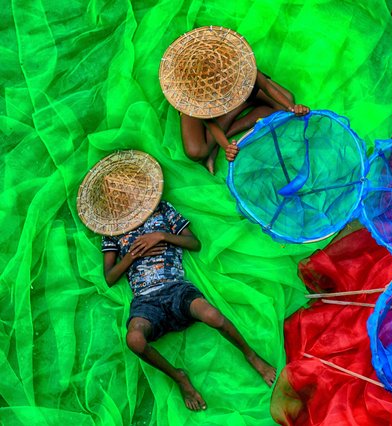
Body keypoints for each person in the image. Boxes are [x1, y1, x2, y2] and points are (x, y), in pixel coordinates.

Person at [77, 150, 276, 412]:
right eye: (119, 198)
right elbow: (110, 277)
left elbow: (194, 243)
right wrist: (133, 256)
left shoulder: (161, 210)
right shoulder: (113, 232)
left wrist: (161, 236)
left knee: (214, 316)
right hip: (145, 300)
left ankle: (251, 355)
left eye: (129, 191)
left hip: (175, 288)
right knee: (134, 340)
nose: (126, 199)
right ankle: (179, 377)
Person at [159, 26, 310, 173]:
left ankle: (239, 107)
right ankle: (236, 111)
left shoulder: (238, 66)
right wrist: (226, 146)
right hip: (200, 102)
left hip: (243, 89)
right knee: (196, 151)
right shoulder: (194, 93)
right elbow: (210, 123)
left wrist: (292, 107)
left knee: (286, 101)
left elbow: (267, 86)